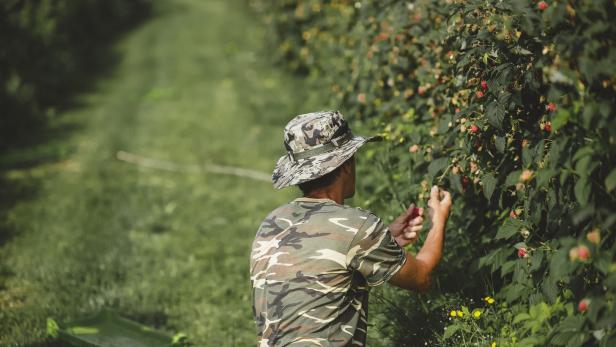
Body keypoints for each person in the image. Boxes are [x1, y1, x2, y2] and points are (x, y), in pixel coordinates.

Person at [250, 110, 452, 346]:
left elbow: (324, 263)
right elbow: (422, 278)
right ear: (346, 165)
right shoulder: (358, 227)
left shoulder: (271, 223)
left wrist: (386, 239)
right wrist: (438, 221)